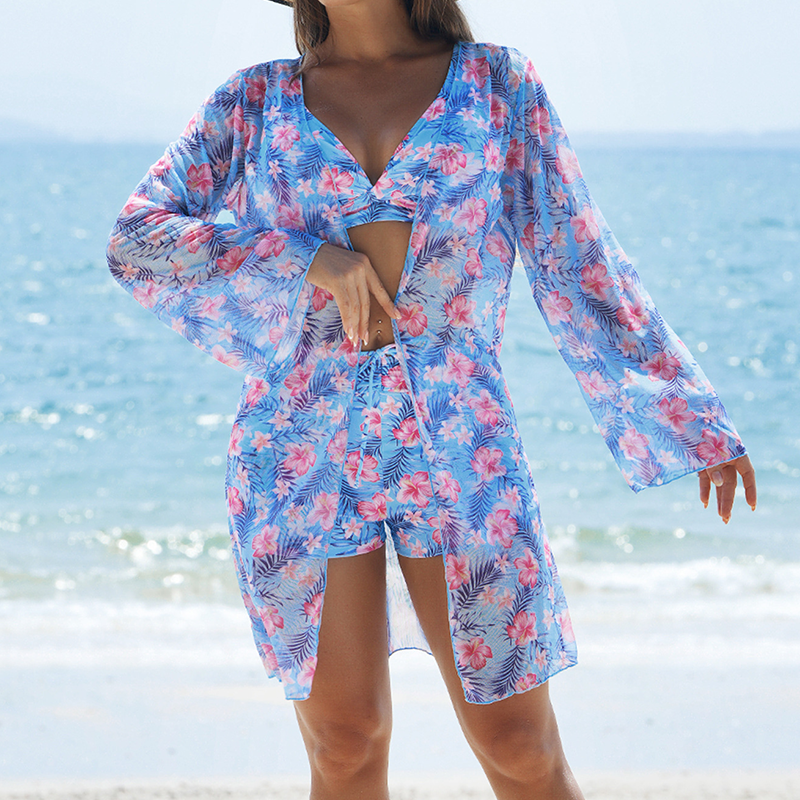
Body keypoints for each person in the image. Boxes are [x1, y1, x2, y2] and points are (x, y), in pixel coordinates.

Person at [106, 1, 757, 797]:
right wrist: (305, 256)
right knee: (344, 744)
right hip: (300, 447)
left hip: (460, 442)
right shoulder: (253, 102)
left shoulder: (498, 87)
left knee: (520, 746)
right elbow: (136, 238)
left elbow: (578, 257)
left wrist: (686, 413)